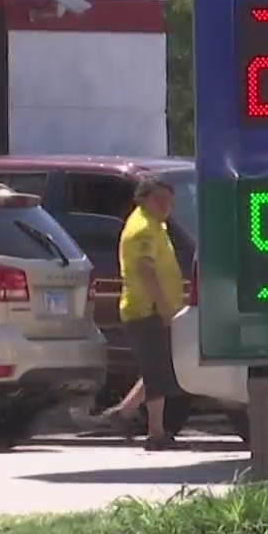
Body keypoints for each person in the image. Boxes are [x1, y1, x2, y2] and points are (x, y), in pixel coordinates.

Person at [104, 178, 186, 450]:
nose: (166, 206)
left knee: (158, 366)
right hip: (145, 309)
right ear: (143, 198)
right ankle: (156, 434)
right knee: (156, 372)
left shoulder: (156, 224)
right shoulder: (142, 228)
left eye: (170, 201)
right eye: (159, 199)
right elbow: (146, 271)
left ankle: (123, 413)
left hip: (156, 309)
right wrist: (162, 307)